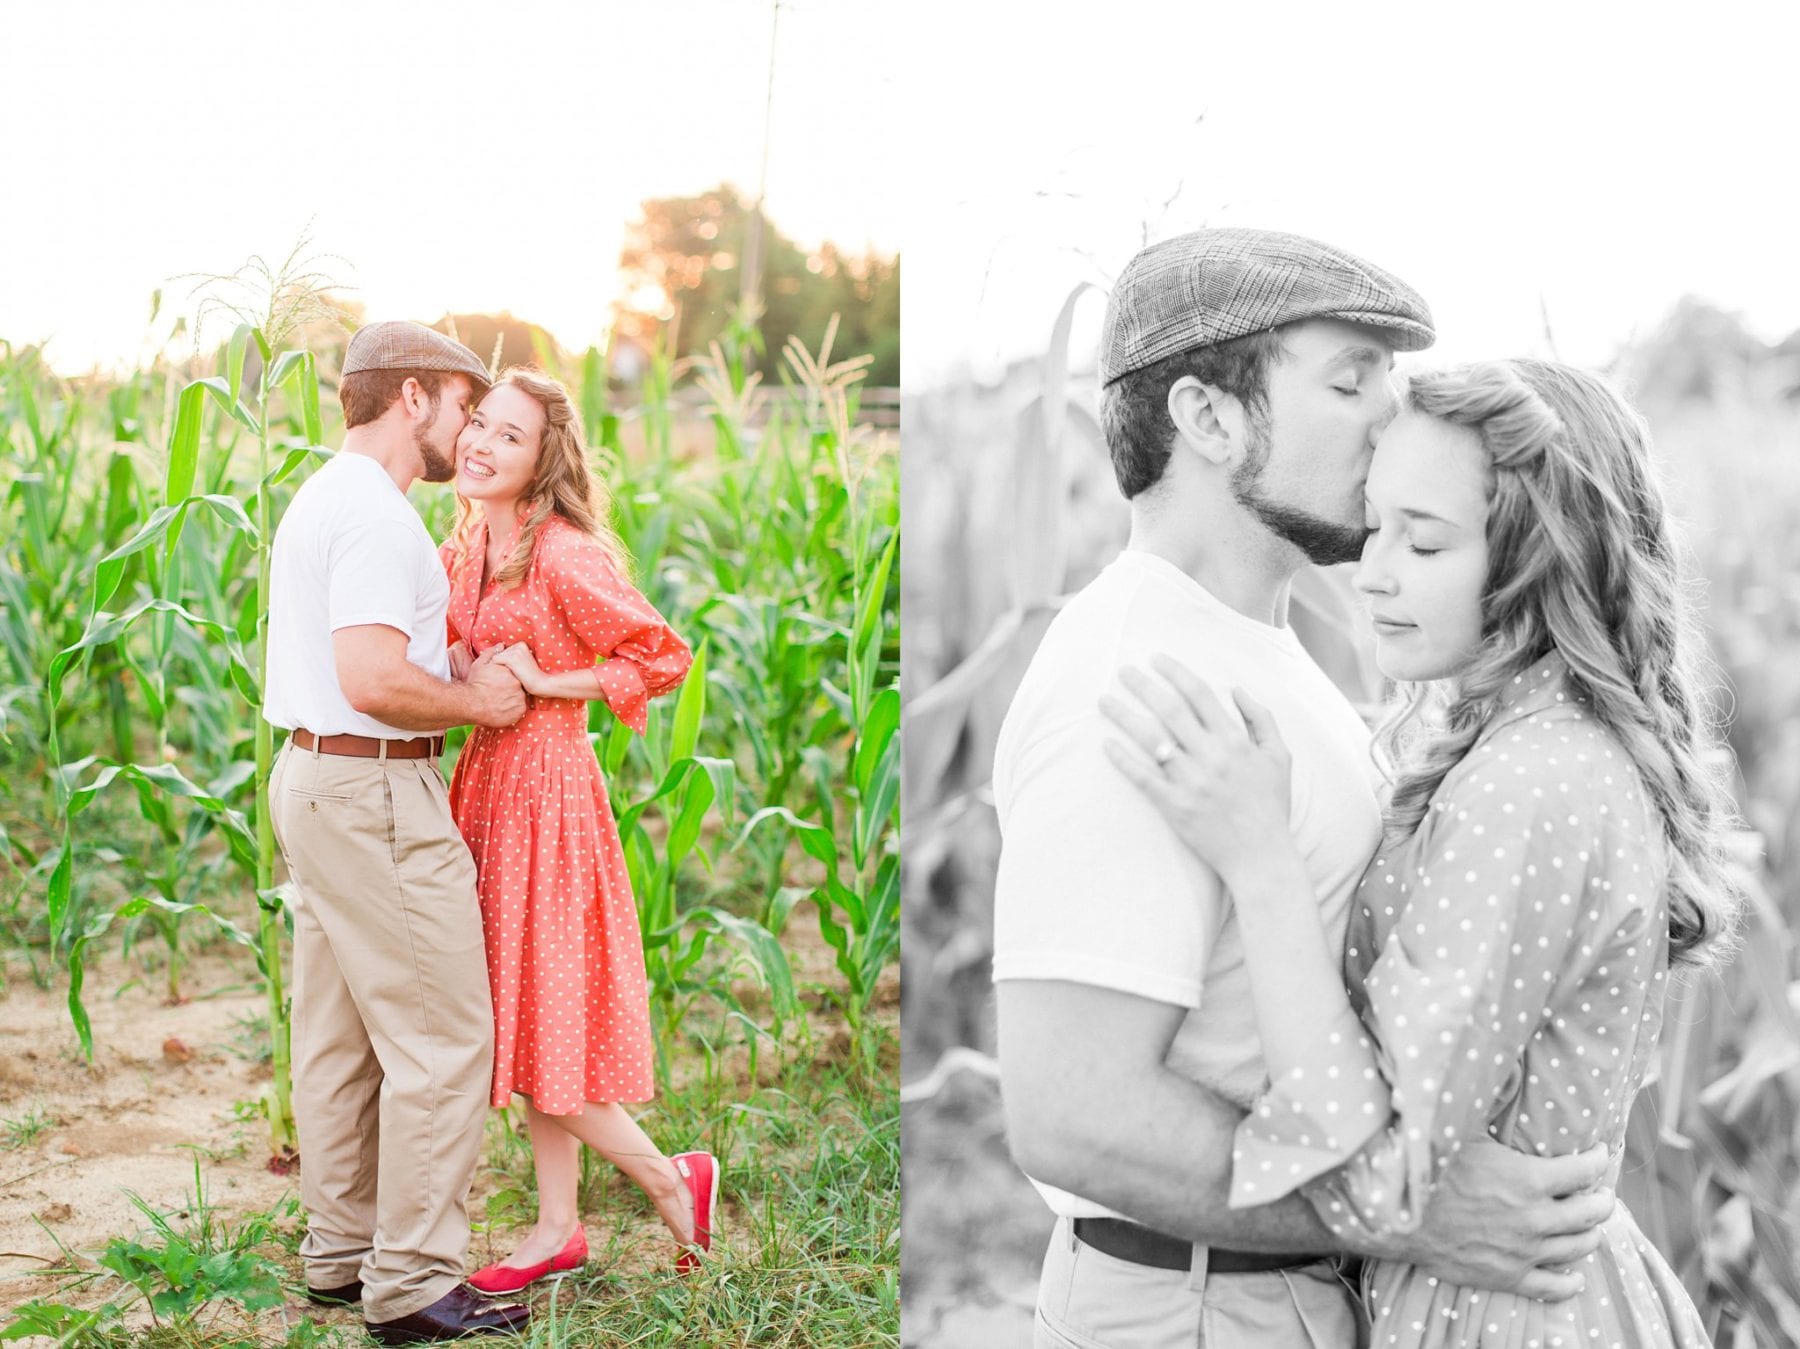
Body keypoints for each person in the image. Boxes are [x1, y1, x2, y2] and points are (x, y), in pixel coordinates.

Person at [993, 230, 1617, 1349]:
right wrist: (1411, 1216)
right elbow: (1072, 1112)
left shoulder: (1269, 654)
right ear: (1209, 416)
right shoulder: (1140, 682)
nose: (1392, 411)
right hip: (1192, 1305)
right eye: (1350, 378)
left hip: (1265, 1288)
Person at [1101, 358, 1738, 1346]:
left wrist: (1260, 856)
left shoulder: (1531, 785)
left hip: (1502, 1314)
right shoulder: (1532, 742)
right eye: (1377, 522)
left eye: (1425, 539)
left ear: (1540, 557)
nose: (1375, 568)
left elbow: (1381, 1175)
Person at [265, 320, 532, 1343]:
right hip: (374, 789)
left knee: (336, 1032)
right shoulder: (377, 514)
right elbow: (372, 677)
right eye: (465, 406)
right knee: (443, 1033)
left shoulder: (322, 494)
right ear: (413, 396)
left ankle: (340, 1250)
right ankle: (415, 1278)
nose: (467, 431)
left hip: (314, 780)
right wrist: (480, 702)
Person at [433, 367, 717, 1294]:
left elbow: (661, 655)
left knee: (535, 1017)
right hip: (484, 787)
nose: (479, 441)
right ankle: (559, 1223)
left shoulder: (562, 552)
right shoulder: (468, 541)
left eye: (507, 435)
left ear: (543, 455)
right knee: (518, 1021)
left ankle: (671, 1177)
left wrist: (544, 682)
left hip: (549, 795)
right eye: (477, 423)